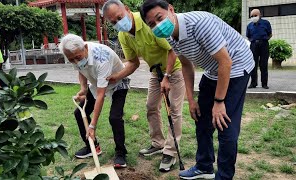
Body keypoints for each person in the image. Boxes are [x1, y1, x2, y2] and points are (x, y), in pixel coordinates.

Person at [140, 0, 255, 179]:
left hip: (237, 66)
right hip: (213, 70)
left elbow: (226, 62)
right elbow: (186, 65)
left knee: (225, 125)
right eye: (152, 24)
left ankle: (224, 176)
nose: (158, 26)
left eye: (159, 18)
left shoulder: (199, 24)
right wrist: (191, 100)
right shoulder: (170, 35)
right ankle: (204, 166)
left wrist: (219, 102)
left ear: (171, 9)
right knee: (201, 118)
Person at [103, 0, 185, 172]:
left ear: (126, 9)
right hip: (156, 72)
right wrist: (115, 77)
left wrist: (168, 77)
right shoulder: (123, 35)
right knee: (151, 106)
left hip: (175, 70)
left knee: (174, 110)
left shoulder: (149, 23)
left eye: (119, 17)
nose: (118, 23)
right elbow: (132, 63)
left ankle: (170, 152)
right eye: (113, 22)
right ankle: (158, 143)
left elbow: (172, 50)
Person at [59, 34, 130, 168]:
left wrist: (92, 126)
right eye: (71, 60)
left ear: (85, 47)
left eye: (77, 58)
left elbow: (101, 94)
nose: (75, 61)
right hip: (98, 83)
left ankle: (121, 153)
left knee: (114, 117)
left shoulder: (101, 57)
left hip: (118, 82)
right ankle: (93, 147)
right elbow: (81, 70)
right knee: (79, 113)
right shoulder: (74, 54)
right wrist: (83, 89)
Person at [246, 9, 272, 89]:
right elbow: (248, 36)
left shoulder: (266, 23)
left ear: (260, 15)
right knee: (253, 64)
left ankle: (264, 84)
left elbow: (270, 34)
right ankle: (253, 83)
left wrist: (264, 39)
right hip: (253, 45)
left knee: (263, 64)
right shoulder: (249, 25)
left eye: (255, 15)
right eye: (252, 16)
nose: (253, 17)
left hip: (264, 44)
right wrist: (253, 41)